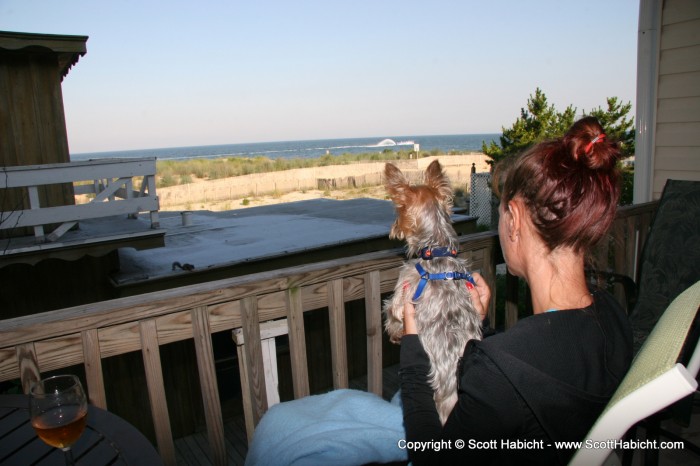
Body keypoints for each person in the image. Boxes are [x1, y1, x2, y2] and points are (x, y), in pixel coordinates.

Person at [399, 117, 633, 465]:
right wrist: (482, 329)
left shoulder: (502, 373)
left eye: (501, 213)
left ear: (516, 218)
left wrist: (413, 353)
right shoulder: (613, 315)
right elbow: (537, 365)